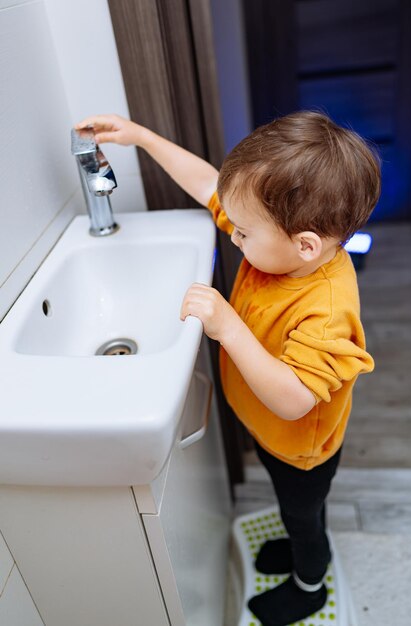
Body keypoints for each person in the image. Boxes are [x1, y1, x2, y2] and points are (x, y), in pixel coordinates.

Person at [75, 111, 380, 626]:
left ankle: (309, 585)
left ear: (305, 243)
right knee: (294, 512)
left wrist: (228, 327)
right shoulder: (279, 243)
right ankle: (305, 551)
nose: (232, 238)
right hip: (267, 429)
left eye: (242, 233)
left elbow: (294, 398)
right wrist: (143, 137)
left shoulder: (326, 307)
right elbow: (206, 184)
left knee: (301, 513)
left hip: (300, 446)